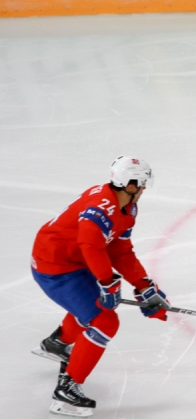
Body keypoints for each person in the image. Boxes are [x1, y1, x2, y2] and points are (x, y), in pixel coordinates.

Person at [30, 156, 168, 417]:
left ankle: (57, 343)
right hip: (55, 266)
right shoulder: (100, 209)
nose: (144, 189)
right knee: (105, 321)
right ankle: (66, 391)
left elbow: (119, 250)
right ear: (130, 185)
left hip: (73, 262)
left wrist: (143, 286)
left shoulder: (126, 207)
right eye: (142, 184)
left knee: (93, 306)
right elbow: (90, 245)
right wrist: (107, 282)